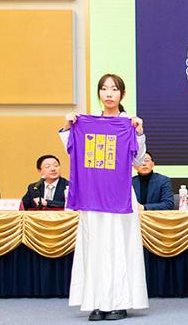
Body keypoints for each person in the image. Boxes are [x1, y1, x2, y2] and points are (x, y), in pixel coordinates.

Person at [60, 74, 147, 321]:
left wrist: (139, 133)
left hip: (120, 197)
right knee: (94, 247)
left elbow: (139, 161)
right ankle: (96, 302)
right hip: (92, 196)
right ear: (99, 93)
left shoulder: (128, 124)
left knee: (120, 246)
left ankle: (119, 302)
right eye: (104, 89)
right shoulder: (86, 123)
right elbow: (72, 149)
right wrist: (68, 126)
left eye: (114, 89)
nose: (109, 93)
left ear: (122, 94)